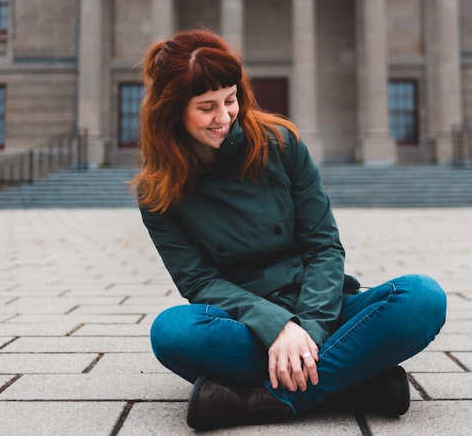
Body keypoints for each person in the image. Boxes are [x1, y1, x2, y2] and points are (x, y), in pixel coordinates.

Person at [132, 29, 447, 431]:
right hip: (246, 324)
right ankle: (355, 381)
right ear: (171, 111)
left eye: (231, 100)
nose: (225, 116)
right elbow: (200, 282)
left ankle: (264, 401)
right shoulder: (157, 190)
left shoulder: (281, 143)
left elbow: (324, 248)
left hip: (324, 307)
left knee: (422, 297)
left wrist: (307, 330)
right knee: (172, 332)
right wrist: (276, 326)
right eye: (206, 107)